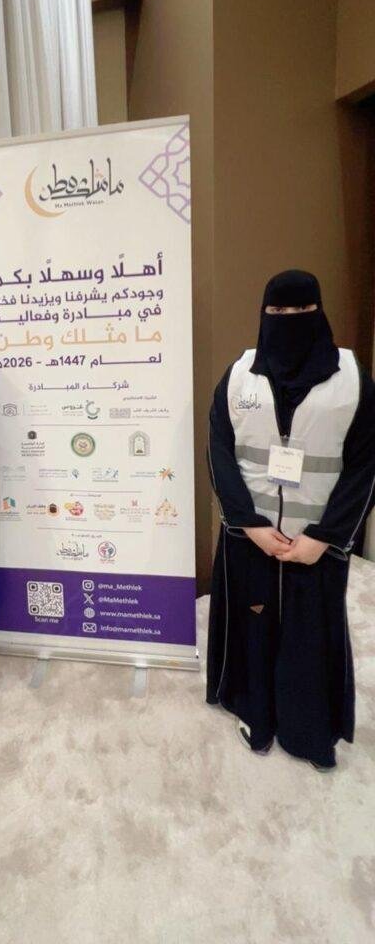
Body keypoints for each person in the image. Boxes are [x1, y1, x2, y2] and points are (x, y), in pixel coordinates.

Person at [207, 271, 375, 771]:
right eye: (277, 312)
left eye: (301, 311)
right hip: (250, 539)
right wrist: (248, 524)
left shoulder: (352, 378)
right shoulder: (239, 376)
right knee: (253, 627)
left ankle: (308, 731)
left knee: (309, 637)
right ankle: (255, 713)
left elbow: (366, 464)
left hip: (315, 544)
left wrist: (326, 537)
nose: (288, 321)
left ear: (319, 312)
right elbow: (218, 452)